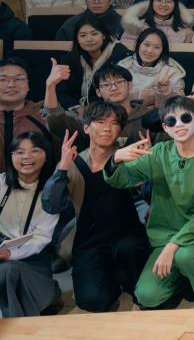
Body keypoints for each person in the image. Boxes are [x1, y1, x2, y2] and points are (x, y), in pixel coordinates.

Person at [105, 96, 194, 309]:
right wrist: (115, 159)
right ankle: (187, 278)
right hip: (165, 236)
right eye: (171, 121)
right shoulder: (158, 153)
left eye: (185, 118)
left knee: (186, 255)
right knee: (146, 296)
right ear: (165, 127)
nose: (179, 124)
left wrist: (173, 246)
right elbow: (122, 179)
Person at [40, 103, 148, 313]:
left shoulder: (128, 156)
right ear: (86, 127)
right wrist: (62, 168)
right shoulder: (74, 162)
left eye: (114, 123)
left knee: (130, 252)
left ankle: (126, 278)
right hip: (89, 239)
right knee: (92, 301)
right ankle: (110, 277)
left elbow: (146, 190)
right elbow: (51, 205)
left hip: (126, 236)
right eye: (100, 122)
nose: (108, 128)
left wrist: (147, 169)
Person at [0, 130, 59, 317]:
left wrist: (10, 254)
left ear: (46, 156)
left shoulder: (51, 192)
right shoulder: (1, 183)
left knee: (8, 270)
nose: (26, 157)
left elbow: (41, 238)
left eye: (35, 150)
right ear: (11, 157)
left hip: (33, 260)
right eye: (19, 152)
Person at [57, 15, 130, 107]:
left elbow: (119, 89)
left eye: (94, 34)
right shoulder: (70, 58)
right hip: (75, 108)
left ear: (103, 35)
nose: (89, 39)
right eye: (83, 35)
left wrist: (90, 109)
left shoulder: (119, 53)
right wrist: (75, 107)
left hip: (109, 108)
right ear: (77, 39)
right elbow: (61, 90)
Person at [118, 28, 185, 108]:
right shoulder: (123, 66)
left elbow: (178, 104)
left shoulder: (171, 72)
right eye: (146, 45)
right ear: (138, 45)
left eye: (157, 47)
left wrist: (164, 93)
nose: (150, 51)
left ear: (163, 50)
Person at [0, 59, 43, 151]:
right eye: (3, 79)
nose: (11, 84)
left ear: (28, 85)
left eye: (19, 79)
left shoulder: (44, 118)